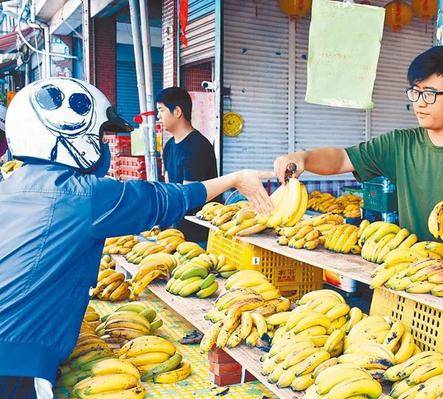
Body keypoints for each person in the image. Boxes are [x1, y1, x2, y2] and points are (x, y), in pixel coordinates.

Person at [0, 77, 272, 399]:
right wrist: (236, 178)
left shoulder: (10, 185)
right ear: (70, 135)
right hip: (15, 364)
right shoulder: (84, 196)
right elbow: (166, 199)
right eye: (100, 135)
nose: (104, 146)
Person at [274, 46, 443, 257]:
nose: (419, 103)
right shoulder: (400, 144)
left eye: (429, 94)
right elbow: (342, 158)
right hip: (411, 272)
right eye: (415, 93)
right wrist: (304, 158)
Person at [156, 87, 218, 244]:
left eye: (161, 110)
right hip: (176, 233)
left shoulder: (198, 147)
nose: (158, 116)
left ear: (177, 112)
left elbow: (190, 196)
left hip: (198, 237)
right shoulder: (169, 146)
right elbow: (169, 187)